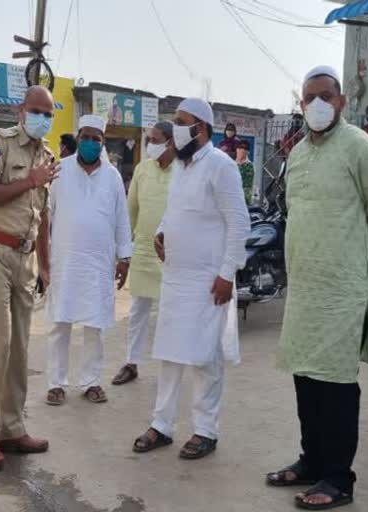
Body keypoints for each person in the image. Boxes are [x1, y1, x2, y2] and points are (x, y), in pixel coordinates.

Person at [267, 66, 368, 511]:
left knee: (336, 384)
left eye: (326, 95)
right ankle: (312, 460)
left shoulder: (364, 149)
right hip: (304, 289)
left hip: (343, 289)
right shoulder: (298, 154)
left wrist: (360, 265)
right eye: (310, 98)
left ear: (341, 102)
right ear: (301, 106)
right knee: (306, 377)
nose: (318, 104)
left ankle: (339, 477)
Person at [132, 98, 249, 460]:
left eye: (182, 122)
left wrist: (227, 274)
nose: (176, 128)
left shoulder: (221, 166)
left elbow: (238, 223)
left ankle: (205, 430)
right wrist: (163, 231)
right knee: (169, 353)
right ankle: (162, 424)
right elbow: (176, 210)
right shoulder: (182, 167)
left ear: (203, 129)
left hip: (207, 280)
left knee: (204, 357)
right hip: (176, 278)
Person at [0, 85, 57, 470]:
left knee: (20, 346)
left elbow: (43, 218)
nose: (42, 118)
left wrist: (46, 265)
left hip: (25, 259)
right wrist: (30, 180)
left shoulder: (48, 155)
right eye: (36, 110)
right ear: (22, 110)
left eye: (49, 113)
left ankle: (12, 427)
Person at [44, 114, 132, 406]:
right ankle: (56, 384)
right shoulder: (59, 171)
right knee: (60, 322)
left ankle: (91, 382)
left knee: (95, 325)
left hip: (99, 263)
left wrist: (125, 256)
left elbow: (121, 219)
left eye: (97, 138)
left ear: (103, 143)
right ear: (78, 138)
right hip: (64, 261)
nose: (91, 142)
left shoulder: (113, 176)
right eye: (86, 137)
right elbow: (47, 216)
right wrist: (42, 261)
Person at [112, 121, 176, 386]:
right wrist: (124, 253)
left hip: (171, 255)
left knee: (170, 313)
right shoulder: (141, 169)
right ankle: (131, 363)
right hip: (142, 251)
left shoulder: (183, 171)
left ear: (171, 142)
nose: (150, 144)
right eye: (149, 139)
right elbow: (130, 211)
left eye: (155, 139)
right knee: (138, 310)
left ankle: (171, 368)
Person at [235, 140, 255, 205]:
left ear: (248, 152)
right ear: (237, 149)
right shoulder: (232, 163)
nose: (242, 150)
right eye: (240, 148)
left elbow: (247, 185)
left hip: (244, 200)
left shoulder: (249, 166)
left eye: (245, 149)